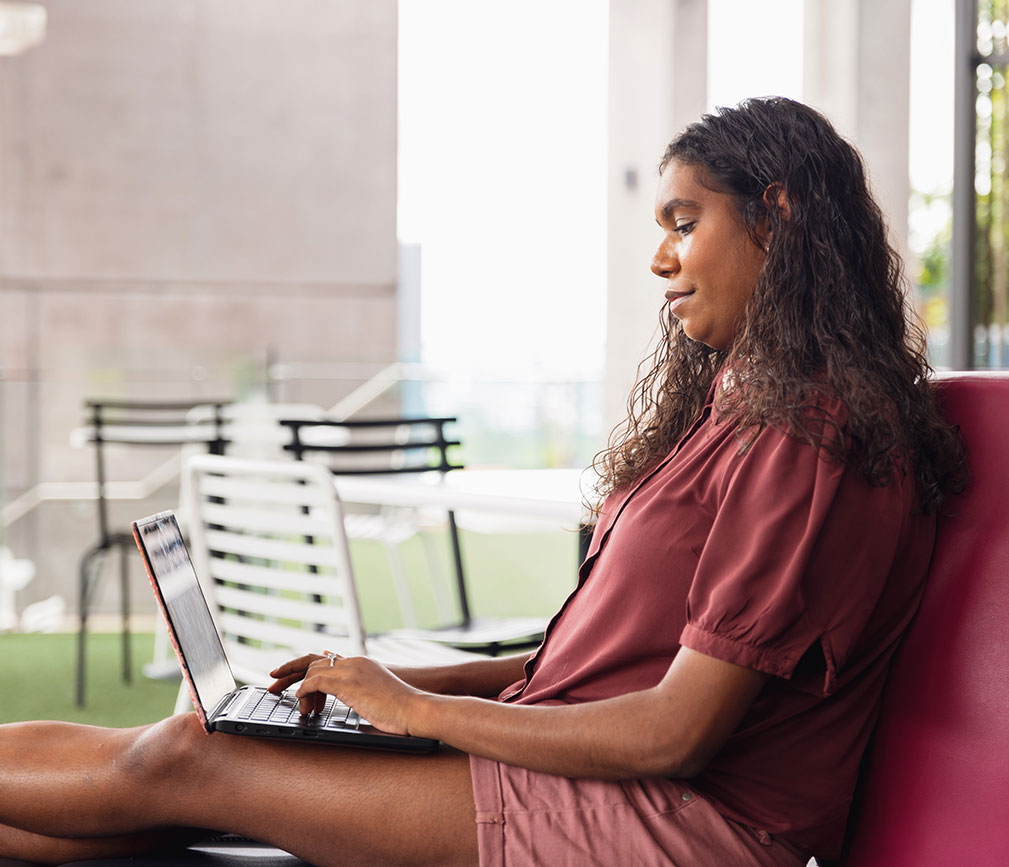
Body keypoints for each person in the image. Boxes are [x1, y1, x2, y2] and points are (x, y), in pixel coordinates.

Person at [0, 97, 965, 867]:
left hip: (678, 824)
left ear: (778, 212)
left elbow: (674, 732)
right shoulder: (740, 410)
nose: (659, 258)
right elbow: (591, 673)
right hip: (595, 777)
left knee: (184, 760)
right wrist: (380, 684)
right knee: (179, 760)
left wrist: (421, 714)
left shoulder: (808, 435)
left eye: (684, 221)